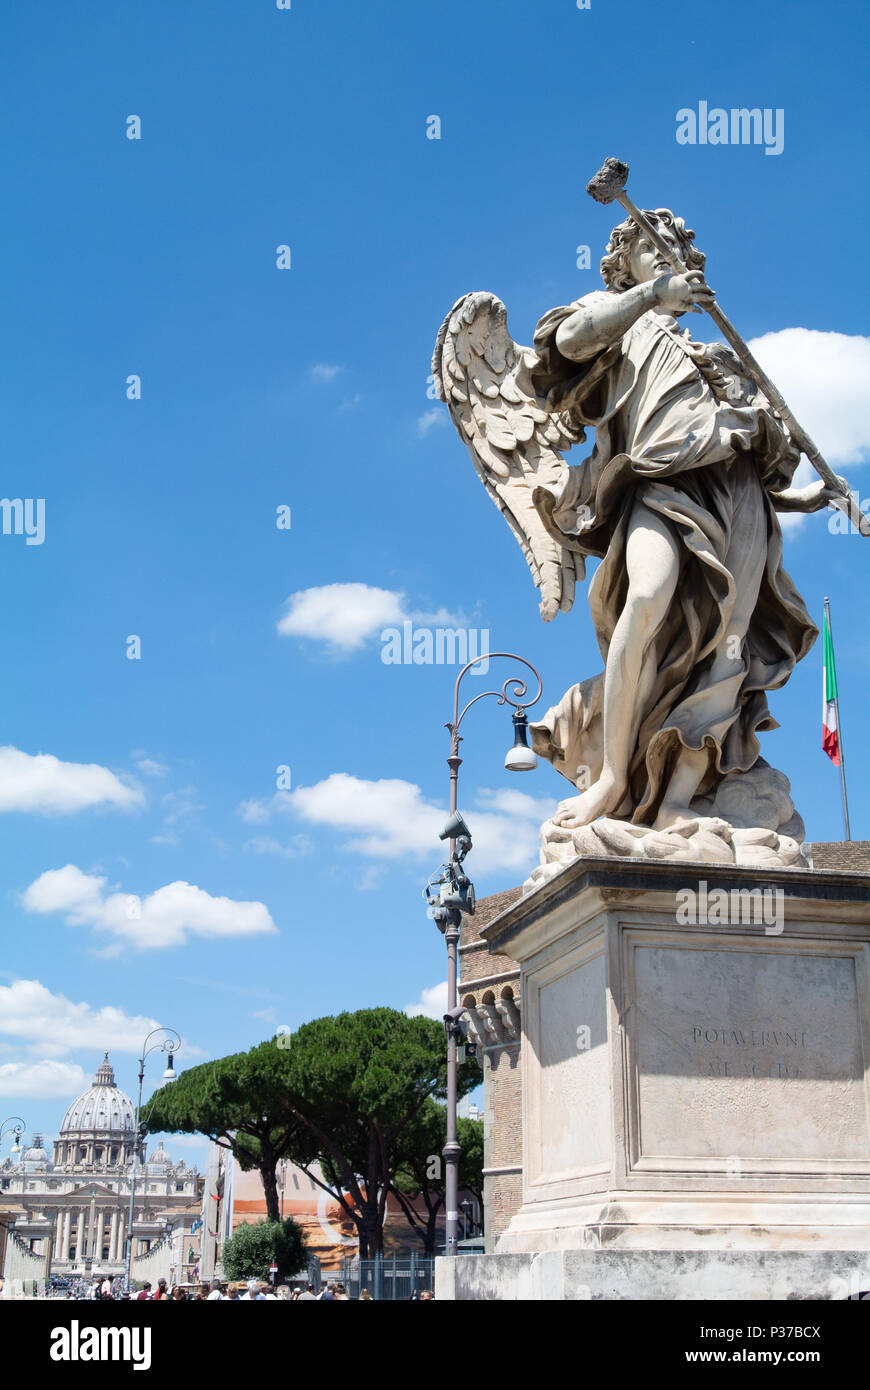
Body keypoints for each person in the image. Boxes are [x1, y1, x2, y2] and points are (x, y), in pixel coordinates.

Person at [525, 209, 831, 832]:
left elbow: (764, 454)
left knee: (729, 648)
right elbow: (567, 343)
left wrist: (805, 496)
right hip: (659, 482)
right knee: (646, 596)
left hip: (739, 494)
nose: (668, 254)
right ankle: (613, 778)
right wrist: (651, 296)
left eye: (677, 249)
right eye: (652, 245)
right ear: (624, 259)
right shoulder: (618, 318)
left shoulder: (711, 352)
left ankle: (677, 801)